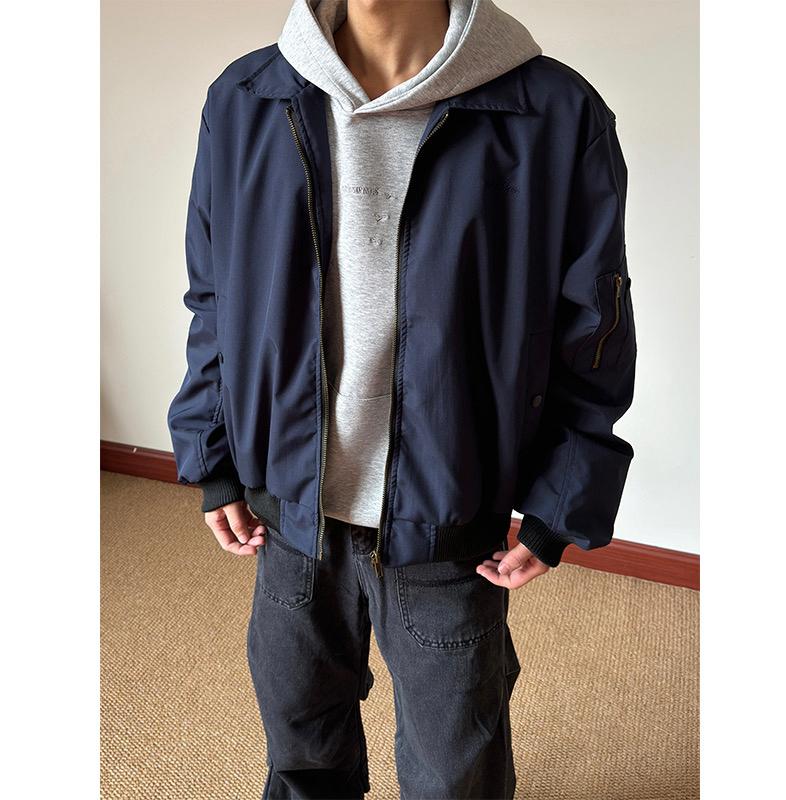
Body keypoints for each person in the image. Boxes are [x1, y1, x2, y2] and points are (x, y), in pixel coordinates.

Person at [167, 0, 637, 797]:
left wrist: (561, 501)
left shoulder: (555, 113)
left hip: (450, 525)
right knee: (300, 749)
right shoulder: (246, 98)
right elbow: (216, 297)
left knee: (456, 772)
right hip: (290, 517)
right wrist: (211, 453)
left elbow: (593, 329)